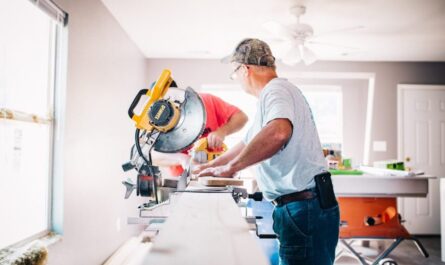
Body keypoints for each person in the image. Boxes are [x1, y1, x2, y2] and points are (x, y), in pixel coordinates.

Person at [194, 38, 340, 265]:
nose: (237, 80)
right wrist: (211, 167)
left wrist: (231, 168)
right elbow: (246, 143)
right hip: (302, 206)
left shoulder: (276, 90)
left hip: (304, 207)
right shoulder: (271, 97)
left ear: (244, 69)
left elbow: (278, 133)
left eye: (235, 74)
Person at [151, 80, 248, 176]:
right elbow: (151, 155)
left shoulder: (206, 101)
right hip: (183, 177)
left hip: (217, 171)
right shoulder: (155, 122)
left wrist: (222, 131)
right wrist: (182, 159)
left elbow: (241, 117)